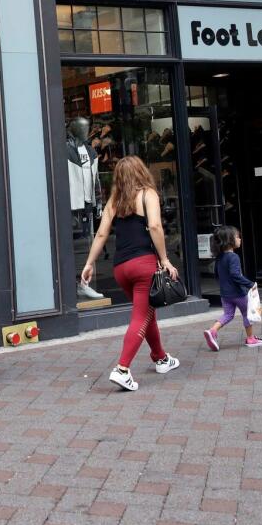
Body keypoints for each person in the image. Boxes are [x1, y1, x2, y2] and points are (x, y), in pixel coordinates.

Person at [81, 156, 181, 392]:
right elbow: (155, 226)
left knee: (146, 313)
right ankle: (122, 369)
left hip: (121, 268)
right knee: (141, 317)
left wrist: (89, 263)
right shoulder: (148, 194)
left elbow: (101, 235)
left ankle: (161, 358)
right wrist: (165, 260)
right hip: (144, 265)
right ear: (141, 171)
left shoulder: (115, 200)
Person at [203, 225, 262, 350]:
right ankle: (251, 338)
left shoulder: (219, 258)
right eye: (238, 237)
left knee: (228, 314)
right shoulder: (233, 257)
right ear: (230, 240)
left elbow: (216, 274)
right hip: (238, 293)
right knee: (246, 314)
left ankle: (212, 331)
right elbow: (235, 275)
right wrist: (250, 284)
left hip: (225, 294)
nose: (240, 239)